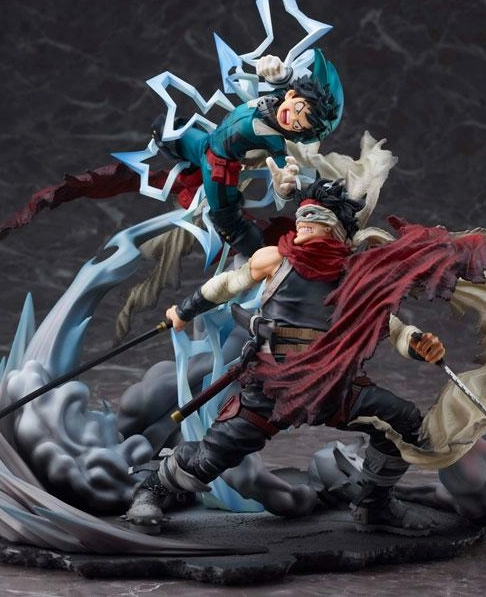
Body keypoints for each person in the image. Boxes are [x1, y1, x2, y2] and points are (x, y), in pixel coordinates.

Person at [126, 178, 448, 535]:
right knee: (216, 454)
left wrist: (418, 343)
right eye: (303, 213)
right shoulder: (275, 259)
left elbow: (391, 326)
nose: (305, 219)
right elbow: (227, 285)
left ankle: (374, 505)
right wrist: (184, 311)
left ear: (339, 230)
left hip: (335, 386)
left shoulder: (356, 278)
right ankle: (151, 489)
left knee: (402, 421)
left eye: (317, 215)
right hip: (274, 385)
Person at [154, 51, 344, 256]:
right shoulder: (279, 97)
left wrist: (286, 185)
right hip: (205, 143)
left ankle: (258, 250)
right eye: (298, 108)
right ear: (292, 95)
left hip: (219, 169)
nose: (292, 118)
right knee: (164, 131)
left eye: (298, 125)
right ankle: (190, 175)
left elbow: (283, 168)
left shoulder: (273, 138)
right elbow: (285, 80)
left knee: (228, 222)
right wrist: (280, 73)